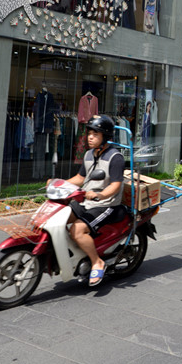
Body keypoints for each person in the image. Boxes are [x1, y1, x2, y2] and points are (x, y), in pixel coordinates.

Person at [49, 115, 124, 286]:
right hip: (85, 200)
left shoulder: (115, 157)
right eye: (89, 133)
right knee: (57, 218)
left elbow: (115, 186)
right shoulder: (89, 154)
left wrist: (101, 195)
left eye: (95, 134)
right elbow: (80, 178)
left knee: (77, 230)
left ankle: (97, 261)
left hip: (106, 204)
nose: (90, 137)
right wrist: (59, 183)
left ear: (105, 137)